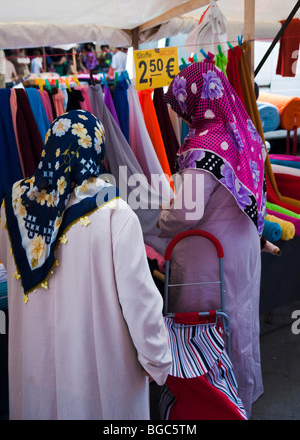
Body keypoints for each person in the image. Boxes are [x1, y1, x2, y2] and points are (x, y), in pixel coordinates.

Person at [0, 109, 171, 420]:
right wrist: (158, 361)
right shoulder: (114, 215)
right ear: (97, 152)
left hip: (35, 370)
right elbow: (141, 305)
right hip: (98, 379)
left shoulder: (12, 210)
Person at [157, 61, 267, 418]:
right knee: (241, 324)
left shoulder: (203, 145)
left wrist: (161, 217)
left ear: (194, 100)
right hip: (244, 247)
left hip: (212, 256)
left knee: (209, 331)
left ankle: (216, 405)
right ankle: (242, 400)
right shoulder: (243, 131)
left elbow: (186, 213)